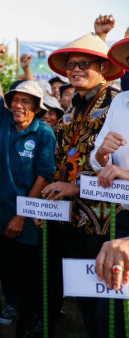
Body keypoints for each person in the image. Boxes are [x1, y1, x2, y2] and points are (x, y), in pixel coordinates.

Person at [0, 29, 56, 337]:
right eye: (16, 100)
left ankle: (28, 324)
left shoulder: (44, 134)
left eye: (26, 101)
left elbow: (44, 175)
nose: (18, 105)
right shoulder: (1, 120)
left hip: (22, 218)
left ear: (37, 107)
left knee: (25, 276)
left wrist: (22, 216)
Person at [42, 28, 124, 336]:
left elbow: (119, 165)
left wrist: (76, 187)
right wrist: (49, 200)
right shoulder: (68, 111)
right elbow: (61, 162)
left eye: (85, 63)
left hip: (110, 219)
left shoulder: (118, 104)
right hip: (72, 218)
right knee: (85, 297)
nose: (76, 69)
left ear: (103, 68)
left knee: (109, 302)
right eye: (72, 64)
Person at [91, 32, 129, 291]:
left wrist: (125, 173)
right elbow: (97, 160)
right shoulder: (120, 101)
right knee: (116, 294)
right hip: (124, 213)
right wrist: (104, 153)